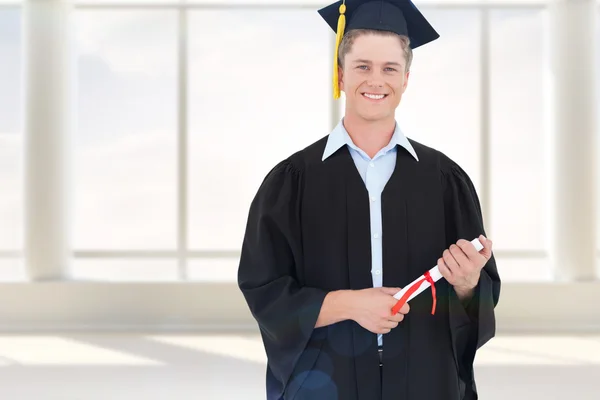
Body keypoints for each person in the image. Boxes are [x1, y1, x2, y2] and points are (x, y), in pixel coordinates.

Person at [237, 0, 501, 399]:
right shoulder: (291, 182)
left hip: (424, 382)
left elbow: (478, 296)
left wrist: (467, 284)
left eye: (389, 68)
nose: (375, 80)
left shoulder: (446, 180)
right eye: (362, 66)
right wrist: (349, 305)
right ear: (341, 74)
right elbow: (264, 289)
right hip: (325, 382)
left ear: (406, 78)